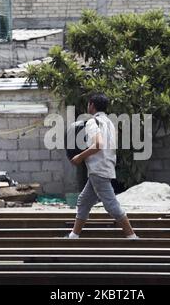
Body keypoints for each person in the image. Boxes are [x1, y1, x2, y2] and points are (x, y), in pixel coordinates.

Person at [66, 93, 138, 239]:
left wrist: (80, 157)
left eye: (88, 104)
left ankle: (132, 236)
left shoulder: (93, 122)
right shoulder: (109, 123)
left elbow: (98, 144)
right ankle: (74, 236)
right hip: (105, 166)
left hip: (98, 168)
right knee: (83, 201)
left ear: (91, 105)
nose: (88, 106)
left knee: (111, 204)